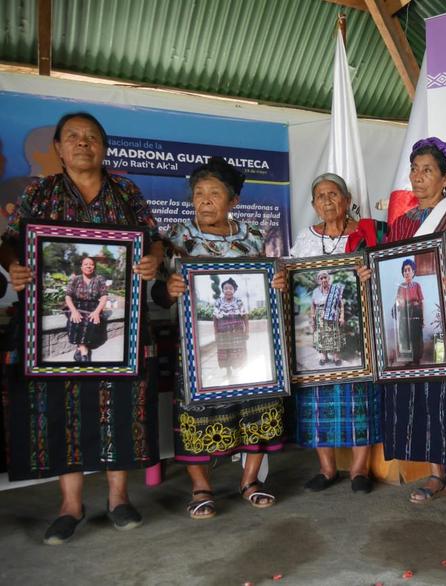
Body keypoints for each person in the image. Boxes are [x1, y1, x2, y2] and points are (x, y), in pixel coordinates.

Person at [0, 112, 163, 544]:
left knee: (122, 409)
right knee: (60, 409)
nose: (83, 143)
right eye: (73, 137)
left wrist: (153, 260)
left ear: (104, 148)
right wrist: (14, 265)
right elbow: (8, 240)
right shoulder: (41, 191)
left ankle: (118, 499)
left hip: (119, 327)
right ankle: (71, 506)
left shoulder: (125, 190)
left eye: (92, 137)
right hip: (54, 328)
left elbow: (155, 237)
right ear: (58, 147)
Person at [156, 157, 284, 519]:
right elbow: (157, 296)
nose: (205, 200)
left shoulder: (253, 236)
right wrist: (169, 289)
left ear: (234, 201)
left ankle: (250, 482)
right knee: (198, 412)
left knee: (255, 404)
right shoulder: (178, 238)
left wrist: (276, 284)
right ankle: (201, 489)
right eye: (199, 194)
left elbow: (264, 286)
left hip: (249, 340)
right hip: (195, 345)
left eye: (214, 193)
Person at [375, 137, 446, 507]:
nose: (418, 177)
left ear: (445, 178)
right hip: (408, 329)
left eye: (427, 171)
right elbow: (389, 273)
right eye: (414, 169)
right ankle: (436, 473)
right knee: (421, 399)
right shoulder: (400, 225)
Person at [274, 172, 384, 493]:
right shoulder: (306, 239)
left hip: (361, 333)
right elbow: (294, 281)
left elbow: (385, 273)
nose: (327, 201)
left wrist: (370, 274)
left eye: (333, 194)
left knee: (359, 400)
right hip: (319, 324)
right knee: (317, 402)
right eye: (320, 196)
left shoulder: (368, 234)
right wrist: (282, 281)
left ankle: (359, 470)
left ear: (347, 200)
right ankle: (326, 469)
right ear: (313, 204)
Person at [64, 256, 109, 362]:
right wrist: (74, 311)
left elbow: (104, 296)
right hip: (76, 306)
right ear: (81, 267)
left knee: (90, 321)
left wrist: (97, 312)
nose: (89, 266)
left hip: (93, 307)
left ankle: (80, 348)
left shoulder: (99, 279)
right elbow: (68, 296)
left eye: (91, 264)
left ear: (94, 266)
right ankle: (84, 350)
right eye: (86, 264)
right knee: (75, 320)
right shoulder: (75, 279)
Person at [212, 276, 249, 380]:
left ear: (234, 290)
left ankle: (239, 373)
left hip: (237, 333)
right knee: (225, 352)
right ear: (223, 290)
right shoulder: (218, 302)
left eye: (230, 288)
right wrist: (215, 333)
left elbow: (245, 316)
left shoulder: (238, 302)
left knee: (238, 352)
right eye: (225, 288)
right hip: (223, 334)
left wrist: (247, 331)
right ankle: (228, 372)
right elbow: (215, 319)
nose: (228, 290)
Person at [310, 270, 345, 366]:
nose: (323, 280)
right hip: (320, 317)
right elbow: (312, 306)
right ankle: (324, 356)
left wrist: (342, 316)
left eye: (325, 277)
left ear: (328, 278)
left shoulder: (335, 289)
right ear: (318, 281)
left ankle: (336, 357)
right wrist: (312, 319)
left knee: (334, 335)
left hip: (333, 315)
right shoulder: (315, 291)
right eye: (321, 278)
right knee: (321, 336)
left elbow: (341, 304)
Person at [393, 258, 424, 365]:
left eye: (408, 270)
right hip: (404, 316)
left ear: (413, 272)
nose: (406, 272)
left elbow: (421, 303)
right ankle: (408, 360)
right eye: (404, 270)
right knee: (405, 339)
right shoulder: (400, 287)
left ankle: (416, 360)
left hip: (415, 315)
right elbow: (398, 302)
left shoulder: (417, 285)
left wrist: (422, 318)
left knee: (416, 338)